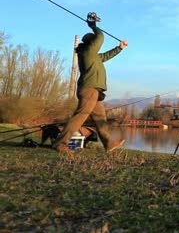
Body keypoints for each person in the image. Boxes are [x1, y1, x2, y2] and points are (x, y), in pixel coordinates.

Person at [52, 15, 128, 153]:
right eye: (94, 42)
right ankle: (60, 143)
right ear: (91, 43)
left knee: (100, 118)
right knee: (80, 116)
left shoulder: (92, 56)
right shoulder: (88, 52)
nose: (96, 43)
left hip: (93, 91)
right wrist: (93, 26)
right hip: (89, 89)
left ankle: (108, 143)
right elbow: (100, 37)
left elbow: (106, 56)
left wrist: (119, 48)